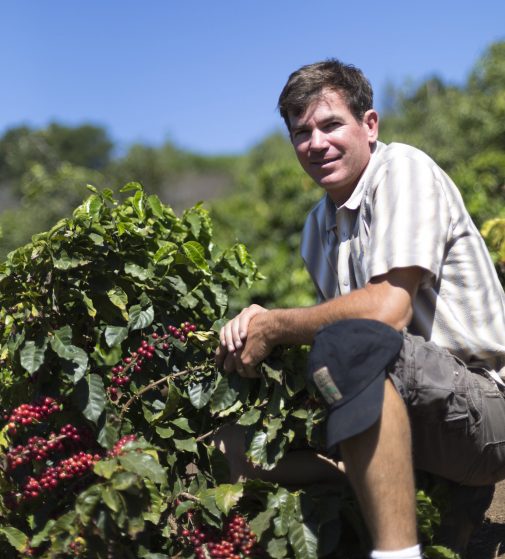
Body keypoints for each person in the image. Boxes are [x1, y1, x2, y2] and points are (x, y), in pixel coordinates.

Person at [215, 59, 505, 559]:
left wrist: (276, 325)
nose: (317, 143)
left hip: (484, 410)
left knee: (346, 341)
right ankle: (374, 489)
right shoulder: (315, 229)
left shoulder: (403, 170)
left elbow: (384, 313)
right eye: (302, 133)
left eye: (331, 125)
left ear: (369, 126)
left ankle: (396, 553)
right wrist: (255, 321)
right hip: (416, 412)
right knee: (231, 449)